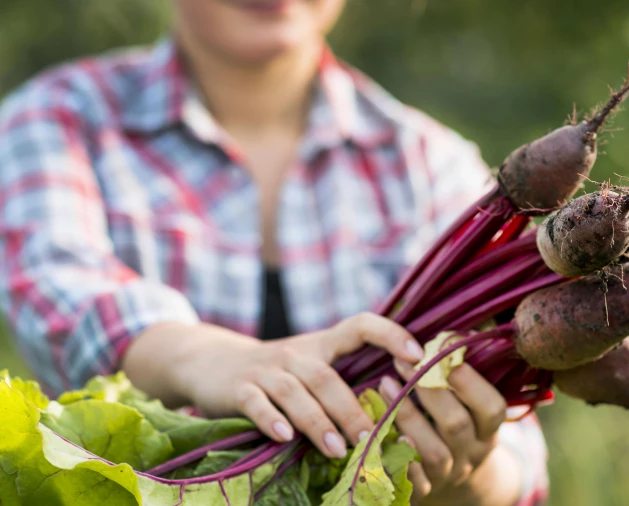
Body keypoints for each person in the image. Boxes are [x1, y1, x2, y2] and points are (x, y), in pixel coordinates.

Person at [0, 1, 548, 505]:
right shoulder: (55, 119)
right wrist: (213, 360)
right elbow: (59, 286)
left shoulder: (432, 164)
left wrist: (465, 478)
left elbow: (519, 462)